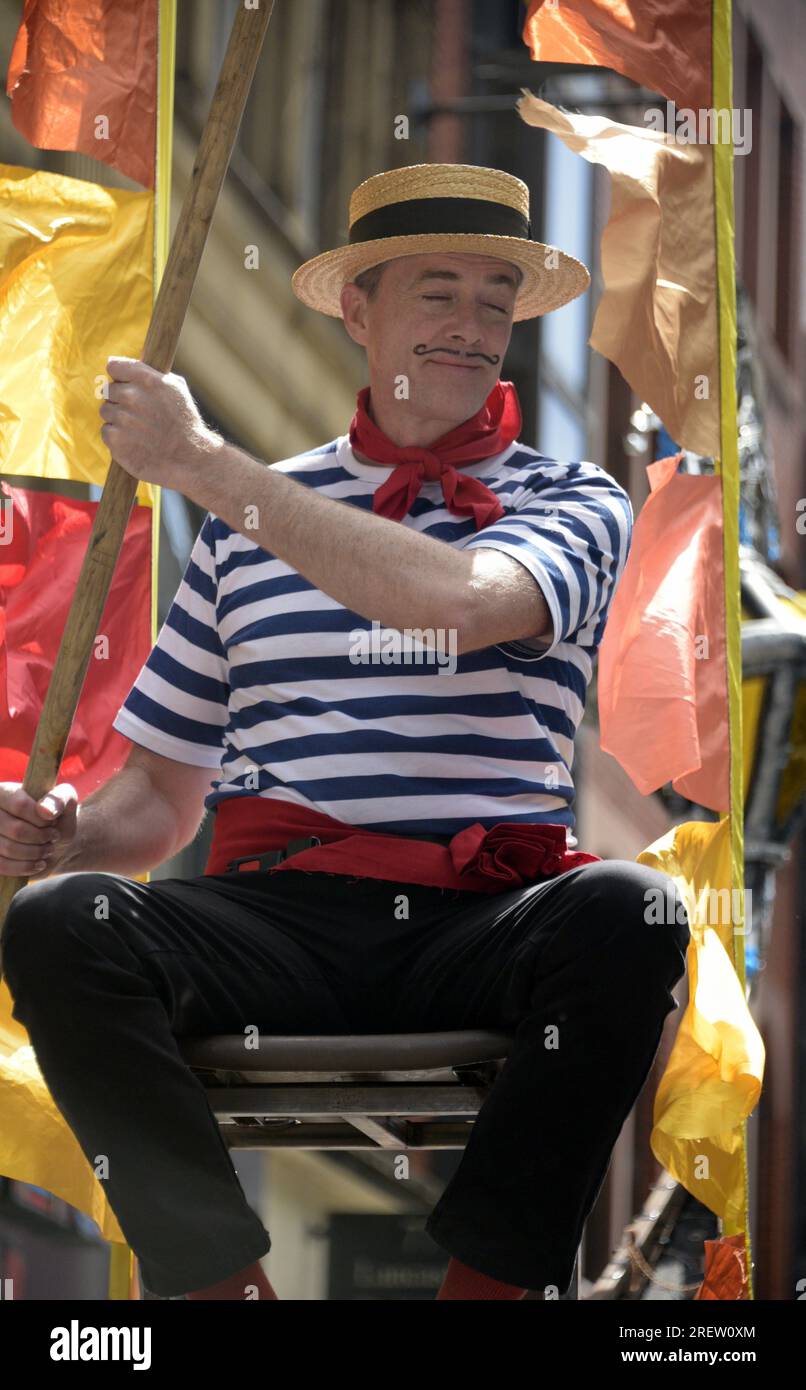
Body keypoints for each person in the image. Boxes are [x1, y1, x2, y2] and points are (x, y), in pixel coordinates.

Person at [0, 164, 690, 1301]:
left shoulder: (573, 499)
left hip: (481, 926)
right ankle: (226, 1295)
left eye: (494, 297)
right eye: (438, 291)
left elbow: (463, 604)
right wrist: (64, 833)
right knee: (62, 920)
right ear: (357, 311)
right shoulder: (243, 519)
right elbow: (159, 807)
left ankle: (482, 1296)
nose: (473, 326)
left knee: (635, 909)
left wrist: (205, 468)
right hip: (273, 922)